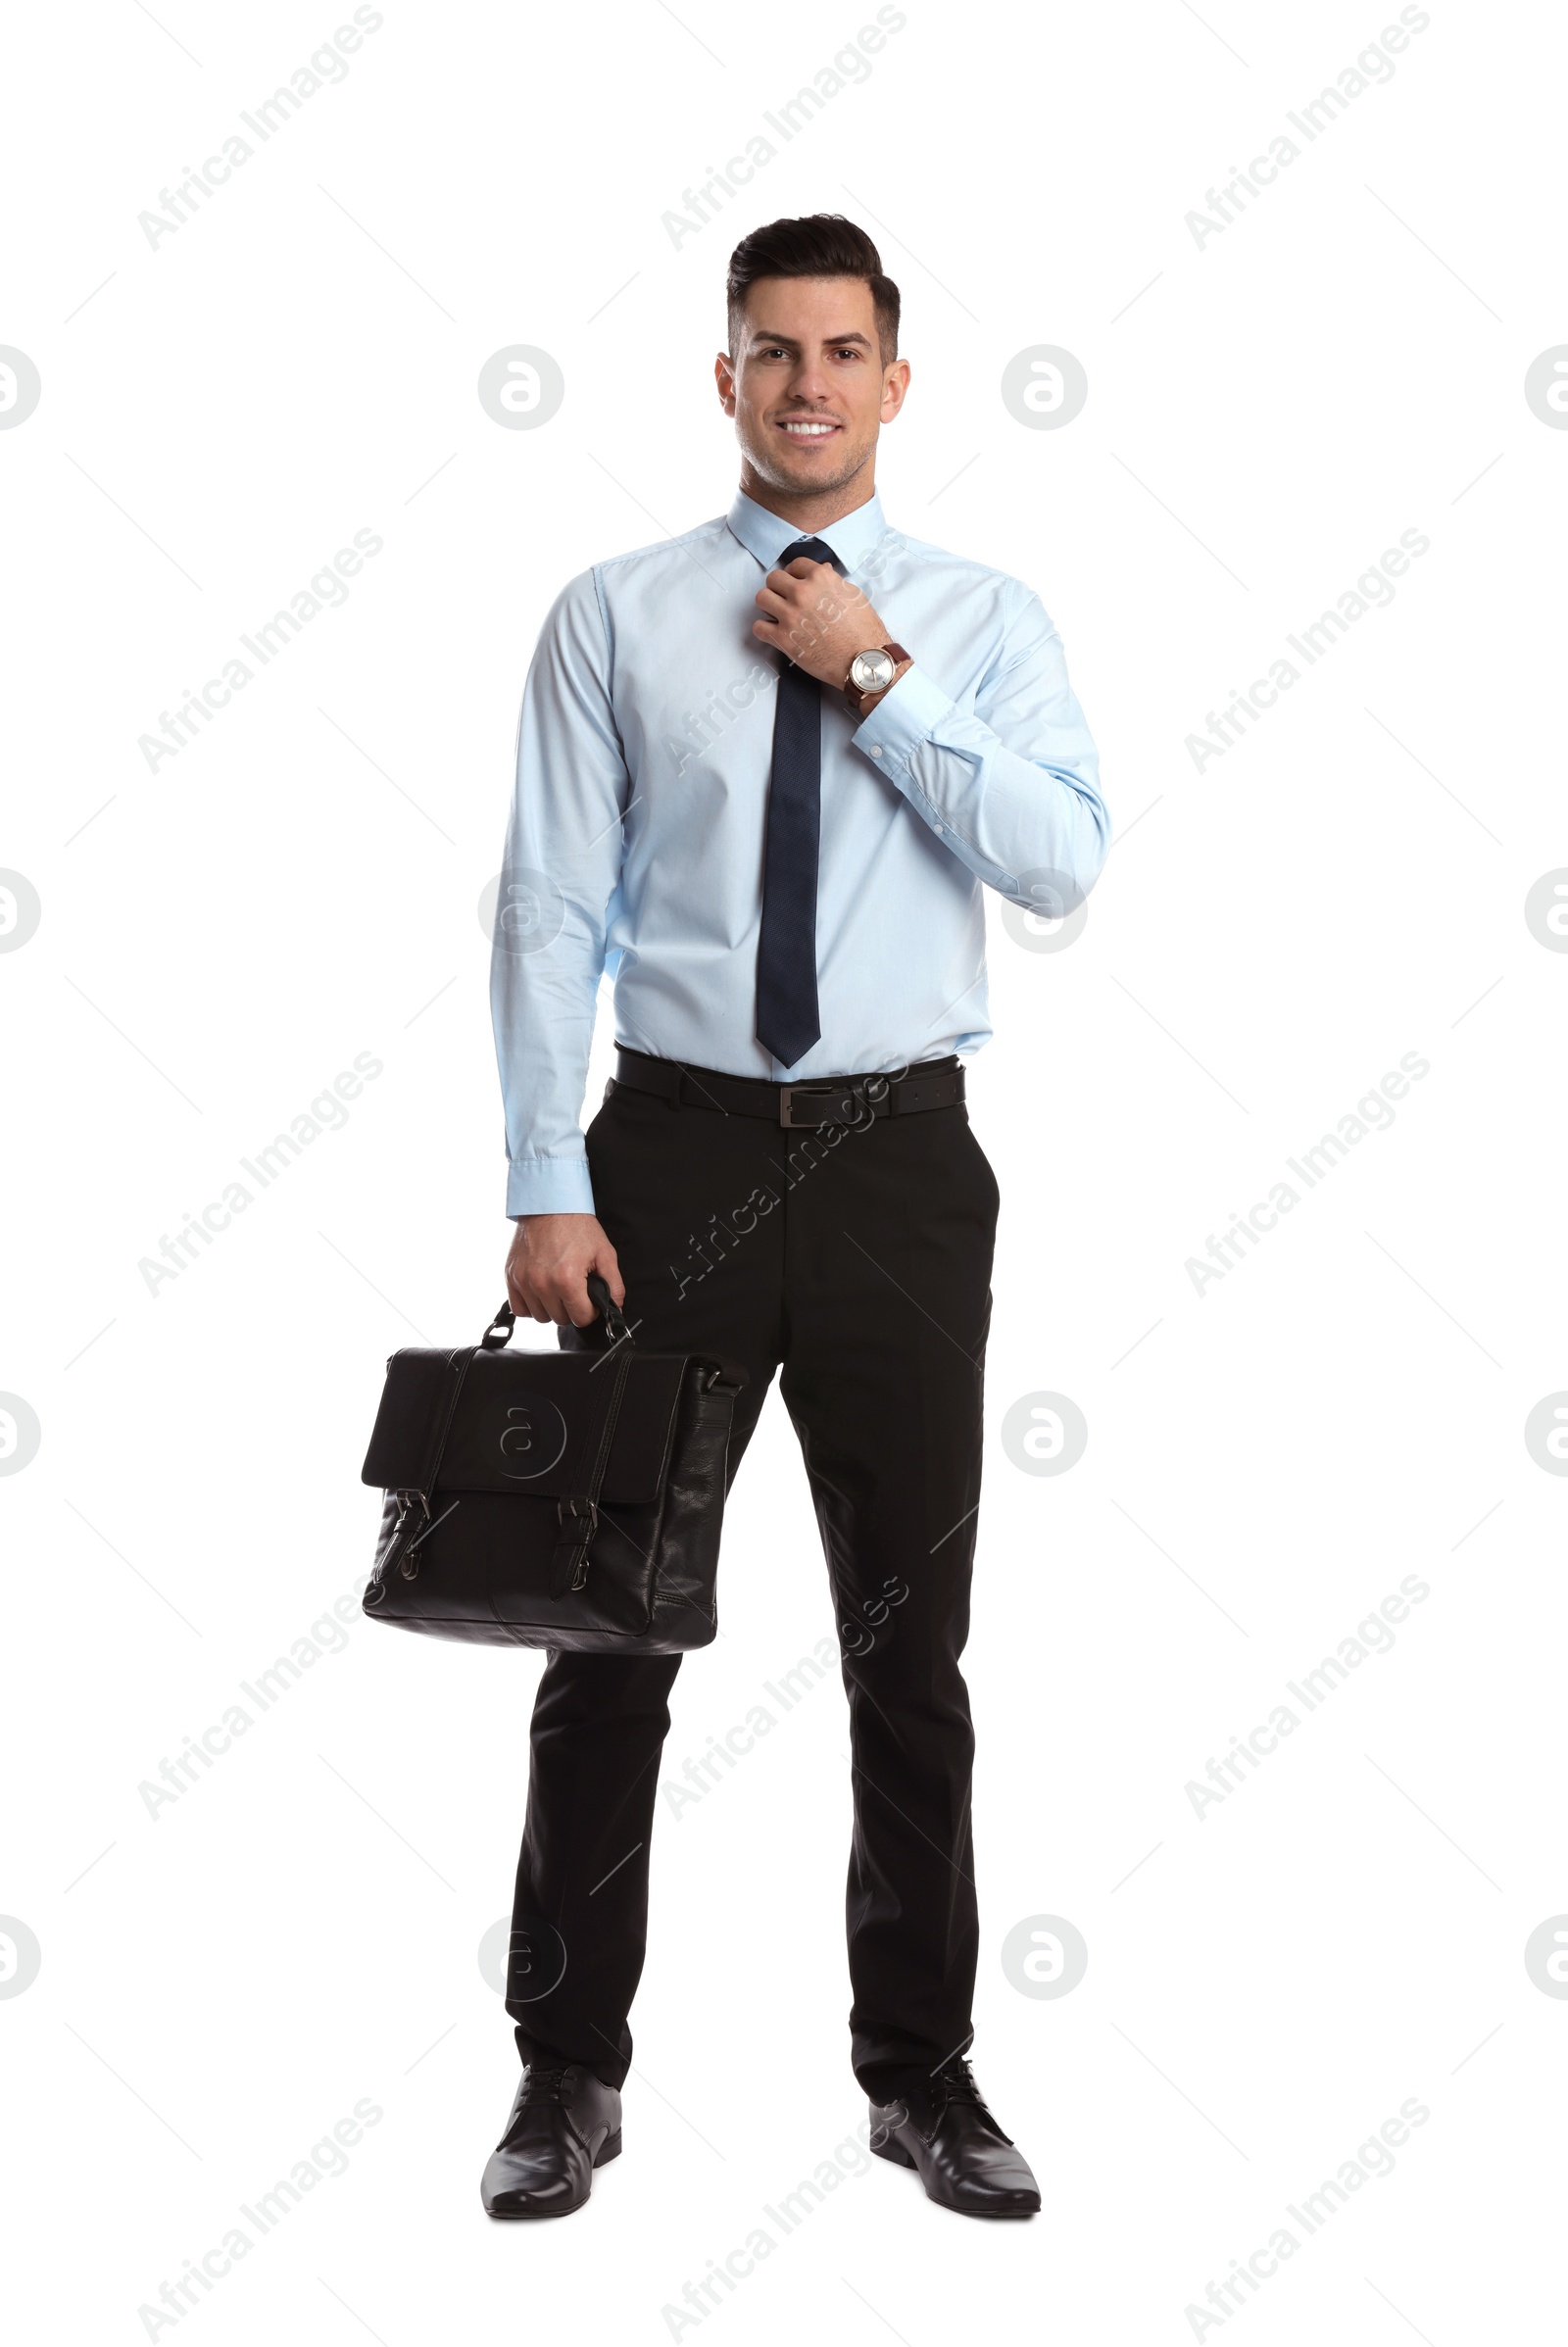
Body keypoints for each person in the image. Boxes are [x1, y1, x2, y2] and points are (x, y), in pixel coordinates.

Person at [482, 212, 1109, 2221]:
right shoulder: (609, 612)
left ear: (894, 383)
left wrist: (878, 678)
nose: (808, 383)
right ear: (724, 376)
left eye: (842, 350)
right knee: (608, 1639)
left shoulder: (982, 616)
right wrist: (540, 1178)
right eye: (771, 350)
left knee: (905, 1645)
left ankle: (918, 2073)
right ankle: (563, 2071)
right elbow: (545, 908)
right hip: (661, 1158)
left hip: (901, 1169)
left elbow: (1059, 857)